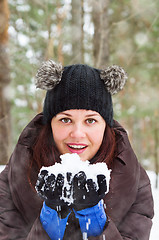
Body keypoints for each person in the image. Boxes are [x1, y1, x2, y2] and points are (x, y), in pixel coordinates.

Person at [0, 60, 154, 240]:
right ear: (50, 124)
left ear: (106, 126)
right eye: (66, 120)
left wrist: (93, 218)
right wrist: (51, 220)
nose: (77, 134)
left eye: (90, 121)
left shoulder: (135, 182)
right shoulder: (11, 180)